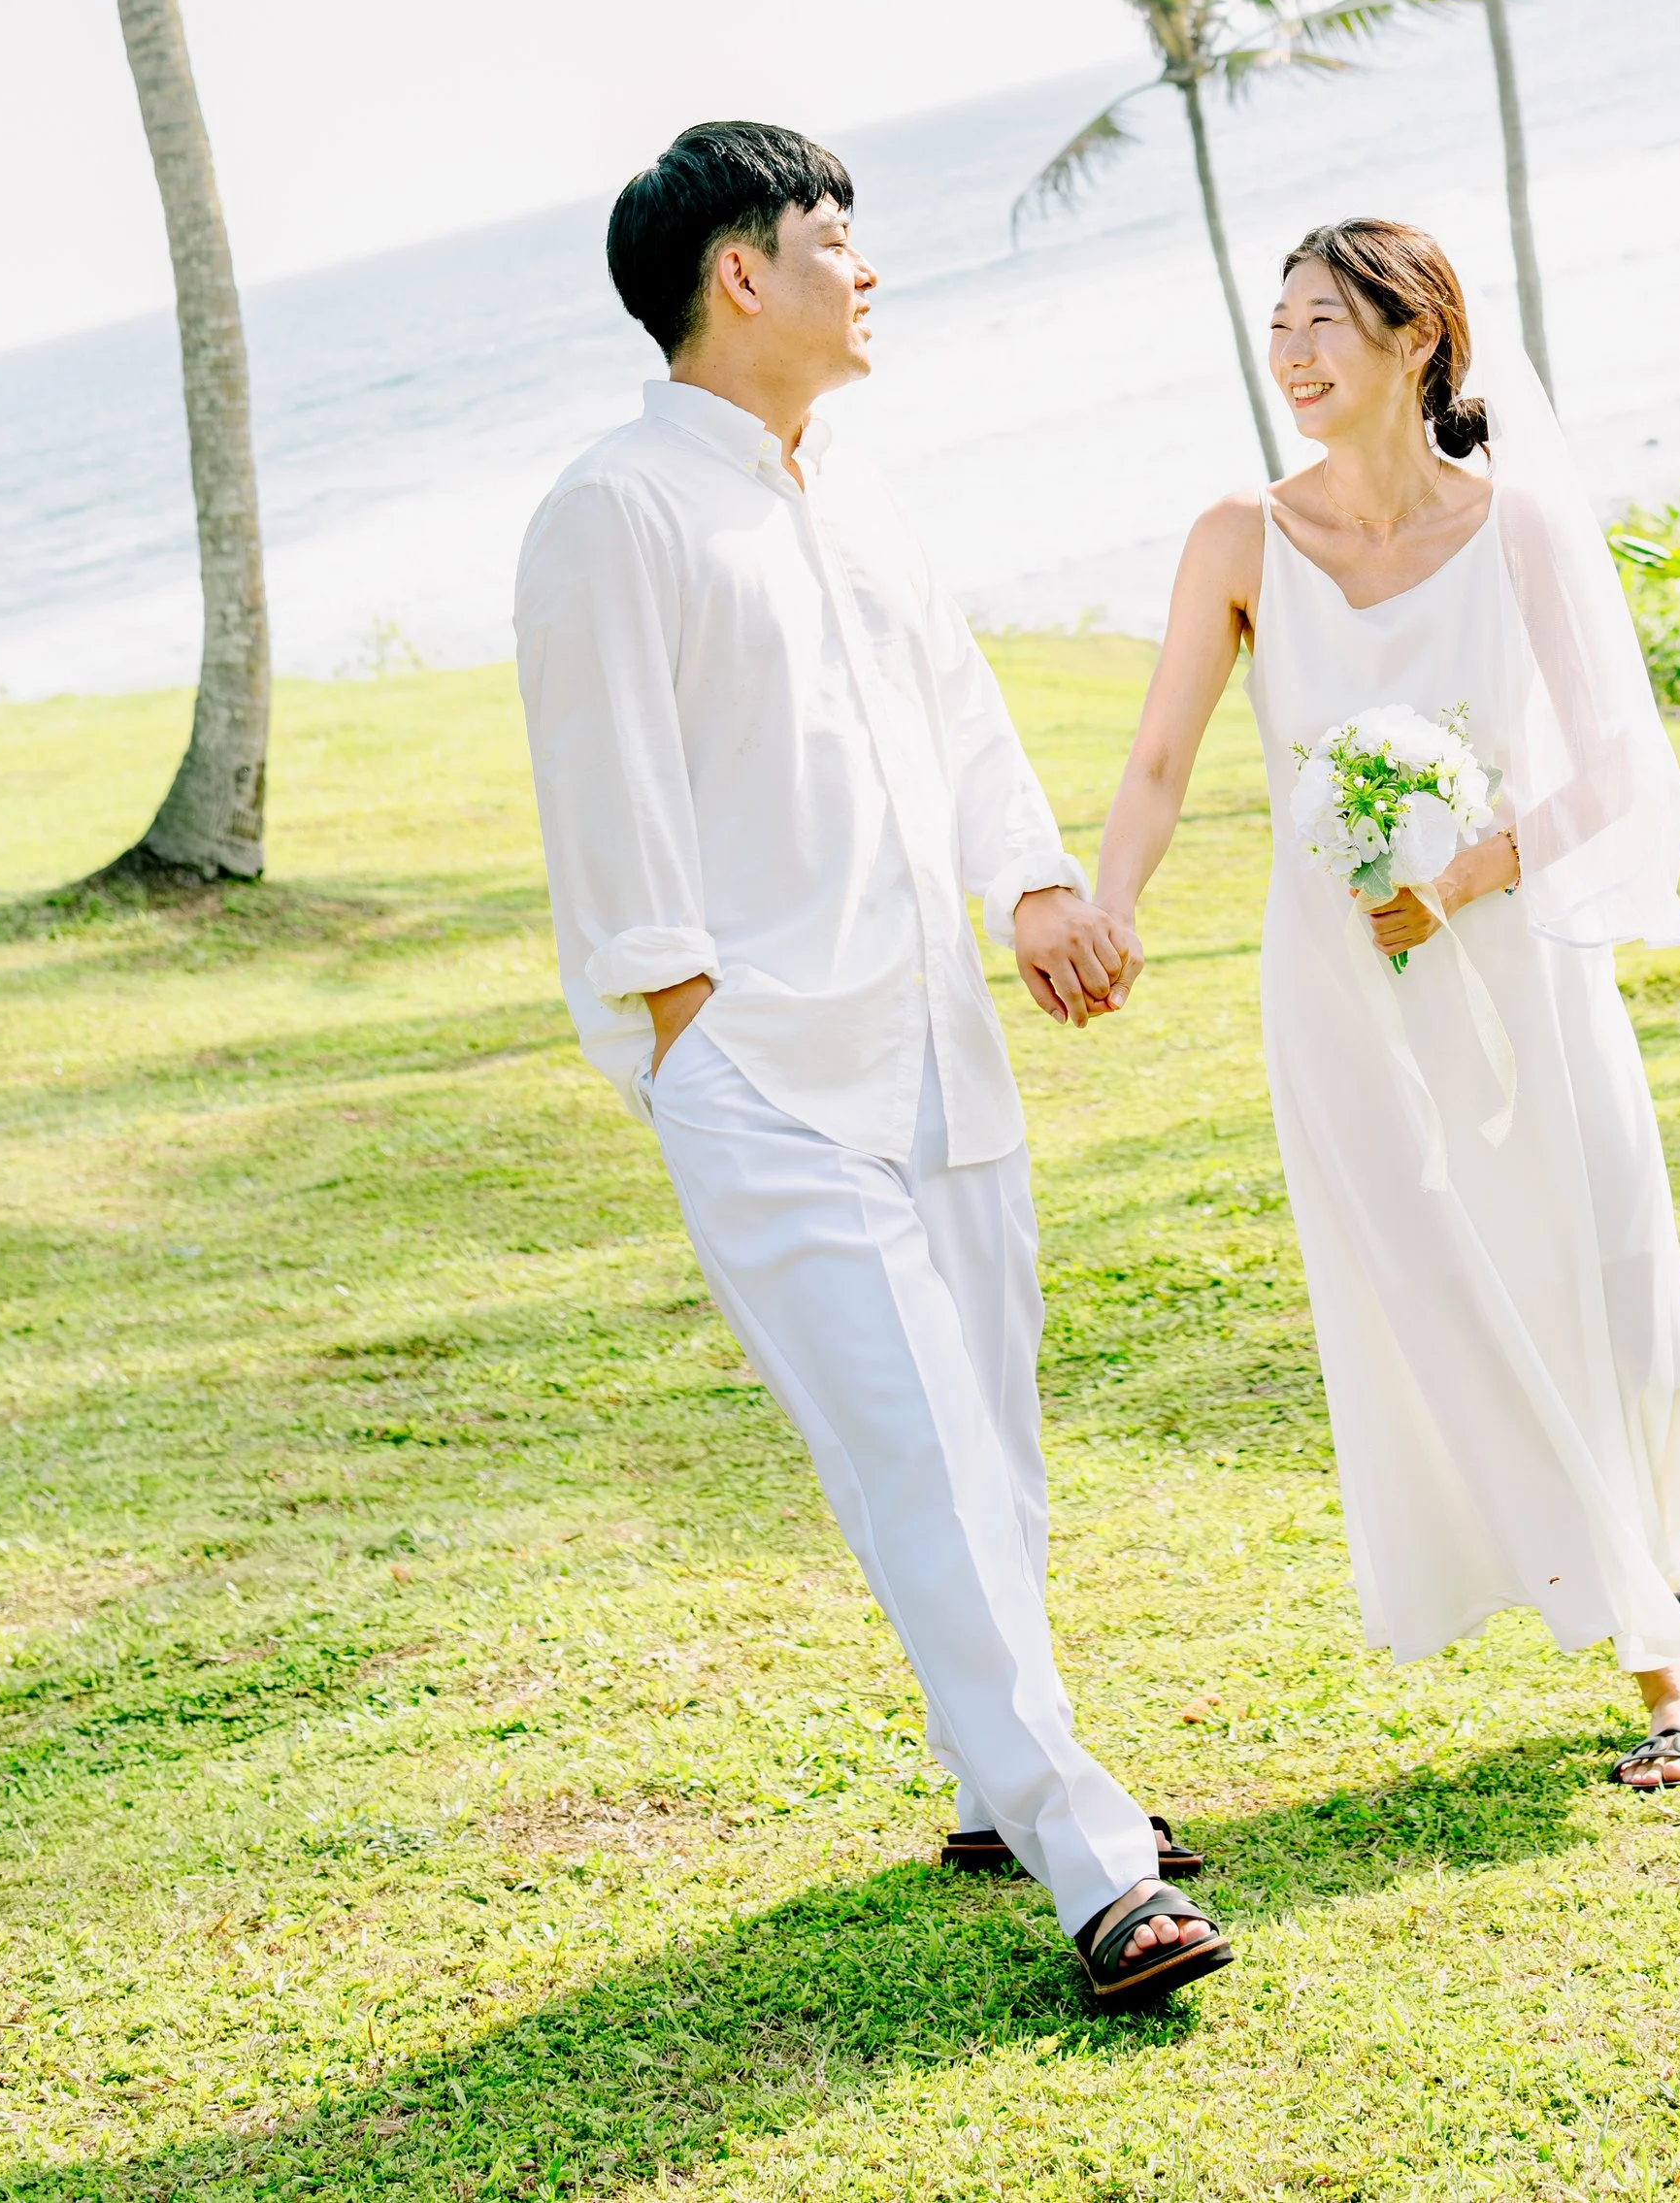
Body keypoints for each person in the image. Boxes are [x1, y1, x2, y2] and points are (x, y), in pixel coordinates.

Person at [512, 118, 1233, 2009]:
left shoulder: (851, 492)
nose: (867, 267)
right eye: (836, 236)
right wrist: (686, 1036)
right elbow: (607, 807)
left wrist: (1039, 891)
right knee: (916, 1452)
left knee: (987, 1446)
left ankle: (995, 1790)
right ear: (738, 274)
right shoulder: (617, 510)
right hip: (762, 1074)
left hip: (933, 1050)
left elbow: (960, 721)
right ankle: (1092, 1863)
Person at [1092, 218, 1680, 1792]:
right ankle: (1660, 1662)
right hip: (1338, 981)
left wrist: (1464, 876)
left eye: (1330, 321)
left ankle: (1653, 1556)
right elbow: (1163, 758)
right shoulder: (1236, 539)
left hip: (1512, 957)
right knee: (1435, 1283)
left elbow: (1612, 771)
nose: (1299, 352)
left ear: (1415, 339)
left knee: (1602, 1276)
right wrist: (1108, 902)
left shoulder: (1512, 525)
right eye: (1283, 323)